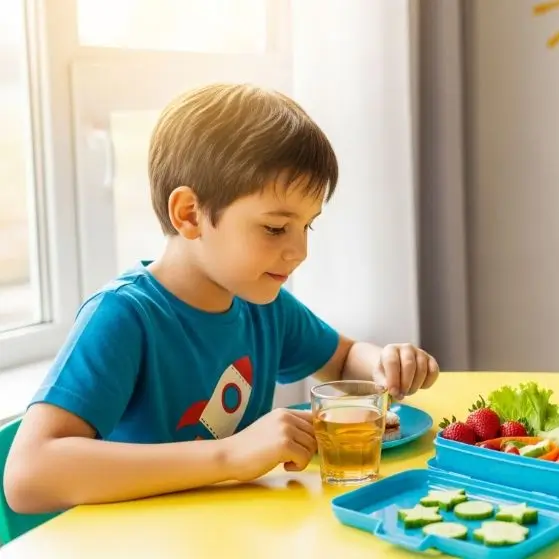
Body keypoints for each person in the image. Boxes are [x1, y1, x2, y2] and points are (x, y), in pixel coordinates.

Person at [4, 84, 440, 514]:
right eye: (275, 228)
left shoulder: (263, 305)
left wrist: (383, 364)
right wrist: (230, 455)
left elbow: (342, 359)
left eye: (308, 226)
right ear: (190, 214)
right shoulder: (124, 316)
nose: (300, 251)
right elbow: (27, 477)